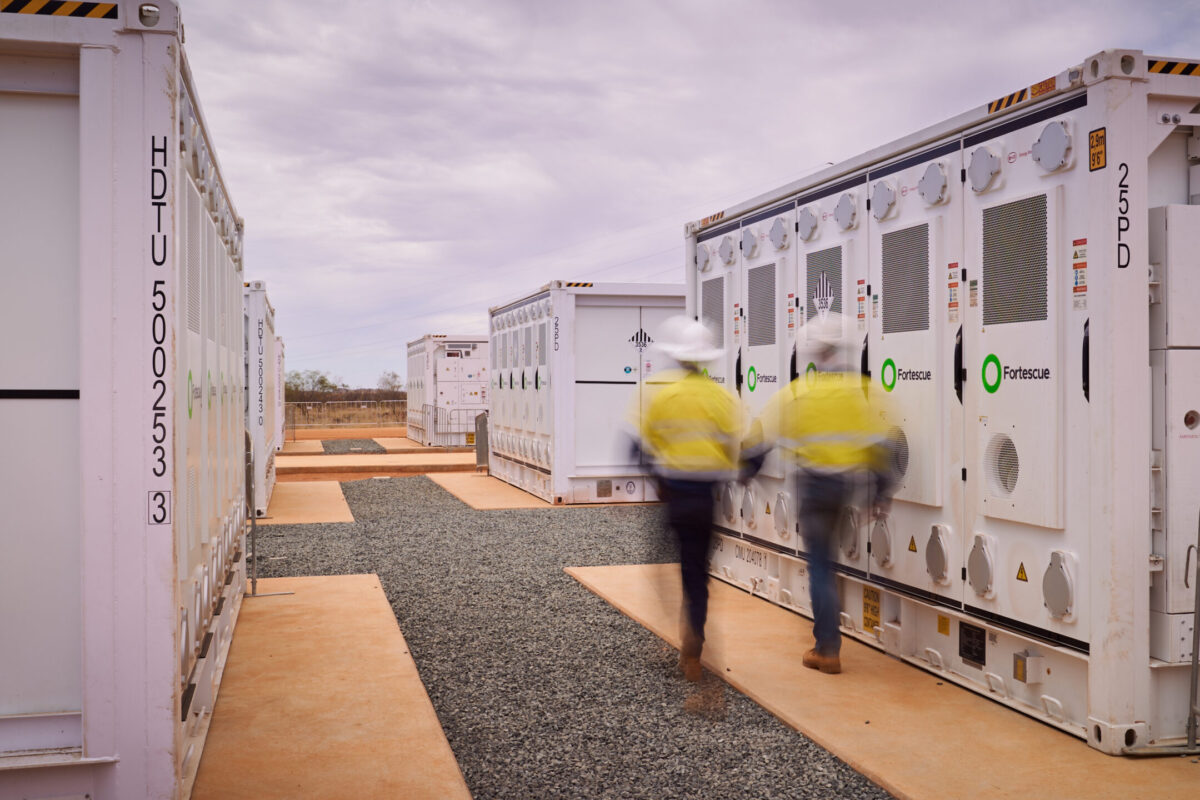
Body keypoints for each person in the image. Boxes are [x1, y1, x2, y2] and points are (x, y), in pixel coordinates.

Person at [742, 312, 894, 675]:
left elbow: (758, 441)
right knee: (831, 561)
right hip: (845, 488)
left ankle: (827, 648)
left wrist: (745, 472)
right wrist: (880, 494)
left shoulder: (797, 393)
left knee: (821, 566)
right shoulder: (864, 392)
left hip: (813, 488)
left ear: (811, 353)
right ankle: (828, 643)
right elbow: (883, 447)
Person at [633, 316, 741, 682]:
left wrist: (658, 480)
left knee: (666, 565)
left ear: (677, 357)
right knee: (697, 572)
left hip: (675, 493)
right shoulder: (722, 397)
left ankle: (680, 633)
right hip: (705, 496)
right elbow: (736, 448)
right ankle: (693, 648)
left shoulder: (664, 396)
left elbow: (644, 447)